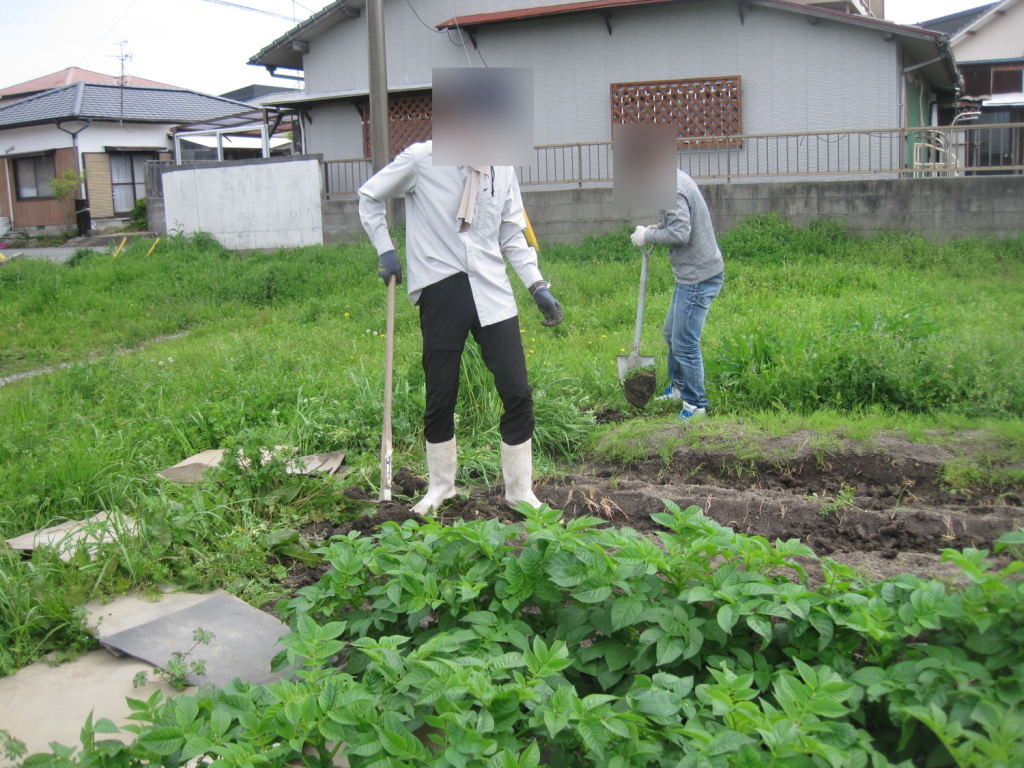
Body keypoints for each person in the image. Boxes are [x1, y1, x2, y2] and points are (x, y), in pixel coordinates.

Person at [358, 141, 563, 515]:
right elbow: (369, 195)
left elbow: (512, 233)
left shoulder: (502, 166)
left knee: (517, 390)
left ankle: (520, 491)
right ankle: (441, 487)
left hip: (492, 289)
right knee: (441, 394)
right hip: (442, 289)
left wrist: (537, 285)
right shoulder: (423, 159)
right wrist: (385, 248)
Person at [631, 168, 724, 422]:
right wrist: (656, 227)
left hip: (699, 276)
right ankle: (679, 388)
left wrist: (647, 236)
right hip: (691, 274)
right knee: (671, 333)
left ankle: (696, 405)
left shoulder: (672, 187)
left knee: (684, 342)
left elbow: (680, 234)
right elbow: (677, 223)